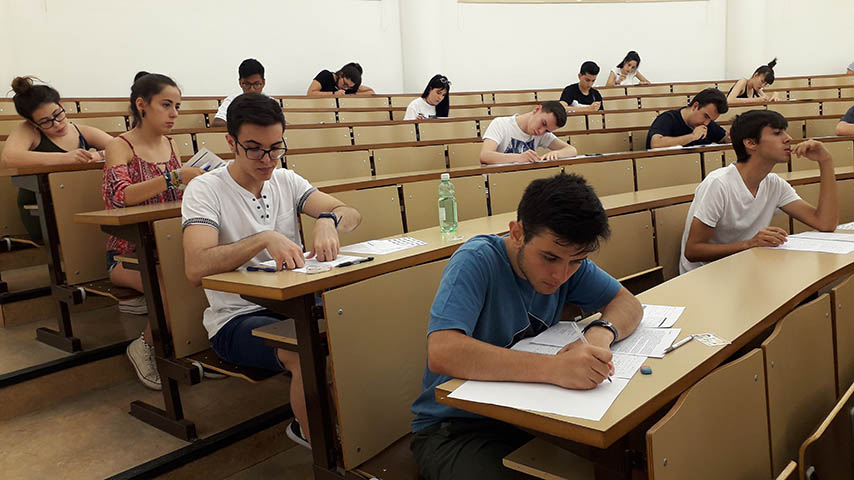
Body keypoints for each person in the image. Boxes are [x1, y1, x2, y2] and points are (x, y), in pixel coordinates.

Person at [410, 173, 643, 480]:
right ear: (517, 233)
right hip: (455, 428)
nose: (560, 274)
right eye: (549, 258)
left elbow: (628, 304)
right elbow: (443, 351)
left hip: (530, 419)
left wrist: (599, 335)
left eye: (575, 262)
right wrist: (556, 369)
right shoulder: (476, 260)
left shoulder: (568, 260)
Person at [181, 92, 362, 449]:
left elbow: (351, 213)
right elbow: (195, 266)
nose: (267, 159)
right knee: (303, 350)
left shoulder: (286, 180)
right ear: (230, 141)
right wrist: (263, 238)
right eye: (254, 148)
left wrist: (328, 219)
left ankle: (365, 425)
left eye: (275, 148)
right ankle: (328, 449)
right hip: (236, 318)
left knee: (361, 322)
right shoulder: (205, 189)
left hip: (291, 303)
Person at [102, 72, 206, 390]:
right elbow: (121, 196)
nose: (174, 113)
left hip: (168, 246)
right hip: (127, 256)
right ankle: (144, 346)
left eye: (177, 106)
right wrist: (176, 176)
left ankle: (198, 349)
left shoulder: (171, 144)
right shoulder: (119, 147)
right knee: (170, 288)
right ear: (142, 105)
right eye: (166, 105)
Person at [680, 110, 839, 274]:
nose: (788, 138)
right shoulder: (719, 184)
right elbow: (693, 251)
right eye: (777, 133)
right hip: (707, 276)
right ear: (750, 143)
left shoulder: (774, 183)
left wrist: (825, 161)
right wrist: (749, 244)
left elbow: (825, 223)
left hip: (745, 268)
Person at [1, 76, 113, 243]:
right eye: (45, 122)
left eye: (58, 114)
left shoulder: (79, 130)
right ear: (34, 123)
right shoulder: (28, 131)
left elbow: (124, 147)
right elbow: (9, 158)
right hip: (42, 208)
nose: (57, 124)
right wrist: (64, 158)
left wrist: (98, 155)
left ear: (61, 105)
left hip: (78, 201)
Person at [479, 101, 577, 164]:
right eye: (543, 123)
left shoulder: (543, 134)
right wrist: (519, 158)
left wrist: (556, 153)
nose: (541, 131)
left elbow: (571, 150)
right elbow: (485, 156)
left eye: (547, 130)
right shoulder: (500, 124)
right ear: (537, 109)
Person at [646, 88, 730, 149]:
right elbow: (656, 144)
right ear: (695, 106)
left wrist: (733, 136)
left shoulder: (708, 124)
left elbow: (725, 139)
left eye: (711, 120)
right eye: (705, 116)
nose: (706, 123)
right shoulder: (668, 118)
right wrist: (692, 136)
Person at [211, 58, 266, 128]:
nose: (252, 89)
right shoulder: (232, 101)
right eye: (247, 84)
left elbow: (281, 125)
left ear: (263, 83)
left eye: (257, 84)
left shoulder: (271, 103)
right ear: (240, 83)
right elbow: (217, 124)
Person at [307, 62, 375, 96]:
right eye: (345, 84)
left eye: (349, 87)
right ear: (341, 75)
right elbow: (310, 93)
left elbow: (371, 92)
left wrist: (349, 95)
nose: (345, 88)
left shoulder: (348, 87)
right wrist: (334, 94)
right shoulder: (326, 75)